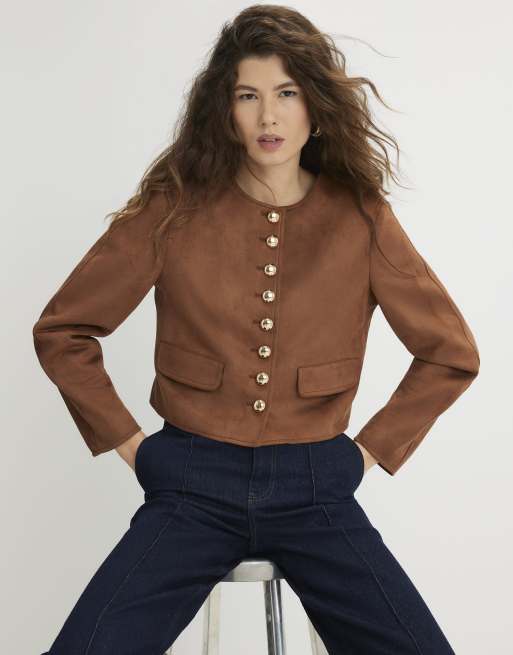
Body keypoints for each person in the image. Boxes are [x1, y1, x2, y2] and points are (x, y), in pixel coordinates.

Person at [33, 5, 479, 654]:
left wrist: (363, 453)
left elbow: (449, 353)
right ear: (225, 110)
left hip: (315, 486)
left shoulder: (360, 218)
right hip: (190, 481)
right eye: (248, 96)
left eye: (286, 93)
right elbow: (65, 329)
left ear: (315, 107)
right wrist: (134, 446)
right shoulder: (173, 208)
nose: (268, 116)